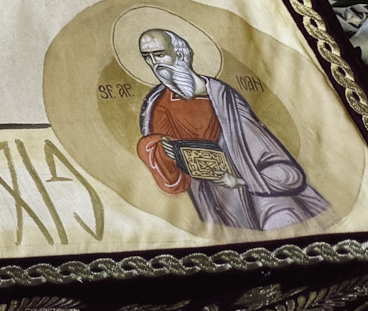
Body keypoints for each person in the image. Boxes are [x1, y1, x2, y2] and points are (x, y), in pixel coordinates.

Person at [135, 28, 329, 231]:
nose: (155, 63)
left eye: (159, 54)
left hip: (253, 176)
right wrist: (164, 152)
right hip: (213, 194)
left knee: (282, 218)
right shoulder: (158, 104)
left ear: (180, 54)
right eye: (147, 57)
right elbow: (171, 170)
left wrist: (241, 180)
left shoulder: (222, 94)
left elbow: (256, 141)